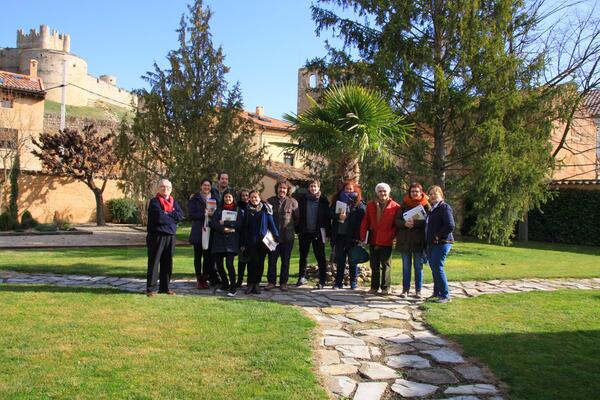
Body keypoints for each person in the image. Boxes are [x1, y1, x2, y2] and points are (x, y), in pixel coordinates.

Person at [360, 182, 400, 295]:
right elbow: (365, 222)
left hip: (387, 239)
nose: (382, 193)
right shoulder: (370, 205)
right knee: (374, 264)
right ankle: (374, 287)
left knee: (386, 265)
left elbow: (397, 225)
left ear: (388, 192)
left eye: (384, 191)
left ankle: (385, 288)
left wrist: (393, 236)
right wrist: (363, 237)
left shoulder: (395, 206)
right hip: (374, 239)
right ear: (377, 193)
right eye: (380, 191)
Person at [146, 179, 184, 296]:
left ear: (171, 189)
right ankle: (151, 289)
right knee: (154, 261)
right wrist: (171, 217)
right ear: (158, 188)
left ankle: (165, 287)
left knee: (167, 262)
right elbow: (159, 218)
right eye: (162, 186)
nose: (165, 189)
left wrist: (167, 214)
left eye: (168, 187)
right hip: (156, 236)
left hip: (170, 237)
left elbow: (180, 216)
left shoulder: (174, 202)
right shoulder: (154, 202)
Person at [395, 182, 431, 298]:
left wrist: (414, 223)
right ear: (409, 193)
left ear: (421, 192)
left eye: (417, 191)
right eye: (412, 191)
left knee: (418, 267)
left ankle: (418, 291)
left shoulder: (426, 205)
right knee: (406, 267)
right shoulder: (404, 204)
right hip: (405, 241)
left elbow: (428, 222)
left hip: (418, 241)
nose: (414, 193)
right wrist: (405, 223)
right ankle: (405, 290)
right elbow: (397, 221)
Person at [240, 190, 279, 295]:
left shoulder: (266, 209)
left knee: (260, 263)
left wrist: (277, 237)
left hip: (262, 242)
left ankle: (256, 284)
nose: (254, 199)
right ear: (249, 199)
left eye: (256, 197)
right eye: (252, 197)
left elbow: (271, 224)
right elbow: (243, 228)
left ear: (259, 198)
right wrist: (242, 243)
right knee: (251, 263)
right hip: (250, 242)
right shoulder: (246, 210)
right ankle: (250, 284)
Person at [296, 180, 331, 288]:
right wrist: (298, 229)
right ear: (309, 188)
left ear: (318, 188)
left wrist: (328, 233)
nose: (313, 188)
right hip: (305, 232)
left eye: (315, 186)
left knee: (320, 256)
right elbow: (298, 216)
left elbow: (327, 218)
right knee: (303, 256)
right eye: (311, 186)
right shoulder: (302, 200)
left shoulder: (323, 201)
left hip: (319, 233)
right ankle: (302, 277)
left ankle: (322, 280)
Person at [331, 180, 366, 289]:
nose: (348, 191)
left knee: (353, 260)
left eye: (351, 189)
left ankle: (353, 282)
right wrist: (338, 216)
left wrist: (361, 237)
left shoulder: (359, 203)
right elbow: (330, 213)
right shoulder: (337, 200)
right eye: (346, 189)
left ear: (355, 190)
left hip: (353, 237)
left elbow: (363, 218)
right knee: (340, 260)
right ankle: (338, 283)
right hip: (340, 235)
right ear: (343, 189)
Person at [266, 180, 299, 291]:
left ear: (287, 190)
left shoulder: (293, 202)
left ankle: (283, 283)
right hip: (273, 237)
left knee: (285, 261)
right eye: (280, 188)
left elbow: (297, 219)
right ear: (277, 189)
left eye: (284, 188)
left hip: (287, 237)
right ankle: (271, 282)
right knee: (272, 261)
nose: (282, 190)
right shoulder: (270, 201)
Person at [210, 190, 243, 297]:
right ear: (223, 198)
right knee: (219, 265)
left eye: (230, 197)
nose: (228, 199)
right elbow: (213, 223)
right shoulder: (219, 210)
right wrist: (224, 229)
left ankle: (233, 288)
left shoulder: (237, 210)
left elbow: (239, 224)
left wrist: (226, 223)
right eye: (226, 197)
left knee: (229, 264)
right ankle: (225, 284)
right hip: (219, 240)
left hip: (231, 242)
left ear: (233, 198)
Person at [425, 185, 455, 303]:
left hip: (443, 242)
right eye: (430, 194)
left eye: (435, 194)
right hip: (433, 243)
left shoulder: (444, 207)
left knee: (438, 267)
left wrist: (438, 235)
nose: (432, 196)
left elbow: (450, 225)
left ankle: (445, 295)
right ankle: (437, 293)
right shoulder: (432, 209)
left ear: (440, 195)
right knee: (434, 267)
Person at [188, 178, 218, 289]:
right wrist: (204, 214)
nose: (206, 187)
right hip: (198, 231)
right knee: (198, 256)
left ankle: (205, 278)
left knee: (207, 257)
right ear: (201, 186)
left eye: (208, 185)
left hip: (210, 230)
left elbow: (218, 213)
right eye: (205, 185)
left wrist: (213, 214)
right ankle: (199, 279)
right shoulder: (195, 198)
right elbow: (191, 215)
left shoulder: (214, 198)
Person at [235, 189, 250, 289]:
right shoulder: (238, 208)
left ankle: (250, 281)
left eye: (247, 195)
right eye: (243, 195)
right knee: (242, 261)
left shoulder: (253, 207)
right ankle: (239, 280)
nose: (245, 197)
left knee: (251, 262)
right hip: (241, 237)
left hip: (252, 239)